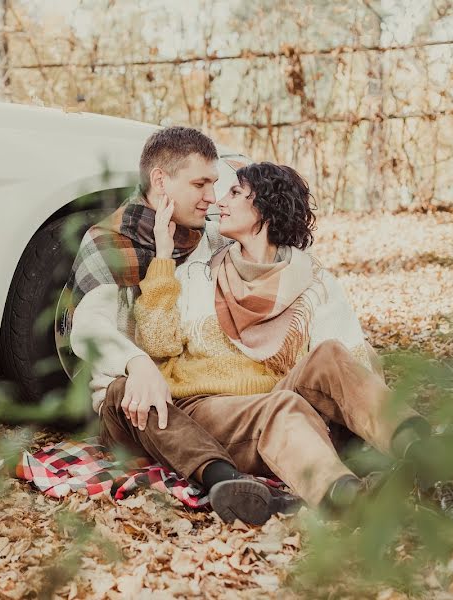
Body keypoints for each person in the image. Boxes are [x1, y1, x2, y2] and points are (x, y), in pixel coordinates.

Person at [127, 161, 453, 525]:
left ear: (263, 209)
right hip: (212, 407)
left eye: (235, 192)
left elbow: (354, 359)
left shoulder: (312, 281)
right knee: (282, 405)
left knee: (328, 355)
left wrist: (362, 431)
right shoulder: (200, 273)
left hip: (281, 398)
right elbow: (156, 342)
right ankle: (350, 502)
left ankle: (429, 471)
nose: (221, 200)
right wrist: (161, 256)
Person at [66, 127, 298, 524]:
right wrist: (137, 364)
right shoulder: (108, 242)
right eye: (200, 183)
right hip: (129, 400)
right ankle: (225, 481)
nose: (211, 197)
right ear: (160, 180)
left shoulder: (211, 238)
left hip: (196, 387)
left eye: (214, 183)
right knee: (134, 395)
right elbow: (88, 328)